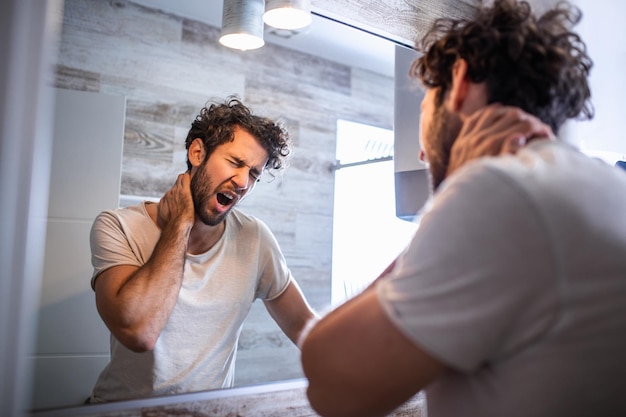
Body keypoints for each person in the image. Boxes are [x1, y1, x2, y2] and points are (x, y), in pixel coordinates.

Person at [300, 1, 626, 417]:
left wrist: (454, 189)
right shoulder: (607, 184)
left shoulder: (498, 189)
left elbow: (331, 386)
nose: (421, 150)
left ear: (459, 80)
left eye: (424, 109)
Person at [87, 96, 317, 403]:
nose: (243, 182)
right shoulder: (118, 226)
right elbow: (139, 331)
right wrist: (179, 225)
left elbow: (304, 326)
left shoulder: (255, 238)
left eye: (253, 174)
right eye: (235, 163)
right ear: (197, 152)